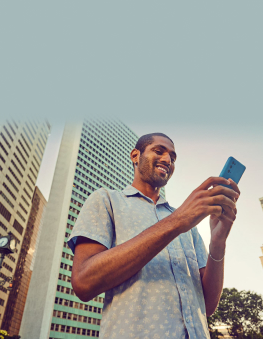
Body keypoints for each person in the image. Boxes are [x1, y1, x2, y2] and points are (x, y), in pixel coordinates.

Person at [68, 133, 240, 339]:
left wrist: (218, 242)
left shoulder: (188, 224)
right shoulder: (107, 201)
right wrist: (176, 222)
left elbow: (208, 305)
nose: (168, 160)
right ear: (135, 156)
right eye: (159, 151)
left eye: (173, 158)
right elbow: (84, 282)